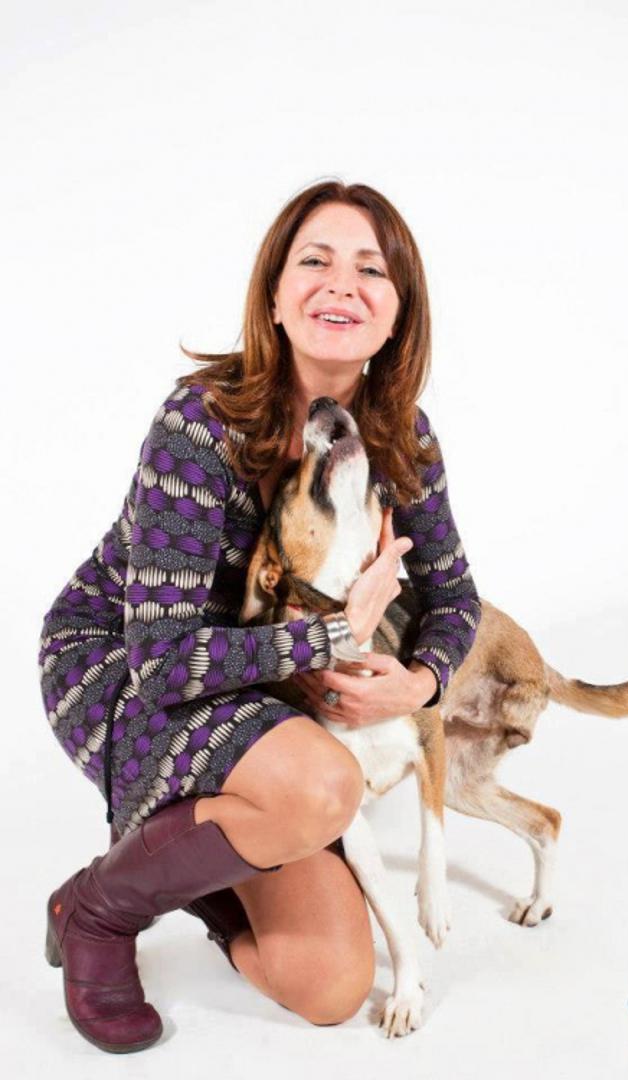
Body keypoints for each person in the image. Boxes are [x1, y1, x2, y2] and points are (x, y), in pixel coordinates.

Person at [38, 179, 483, 1053]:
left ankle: (197, 870)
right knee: (324, 784)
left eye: (372, 270)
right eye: (315, 261)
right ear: (274, 297)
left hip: (266, 697)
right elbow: (162, 662)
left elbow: (455, 597)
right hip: (122, 666)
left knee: (330, 987)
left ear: (398, 313)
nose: (342, 283)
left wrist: (422, 682)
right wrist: (336, 634)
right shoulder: (200, 426)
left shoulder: (404, 436)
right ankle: (98, 908)